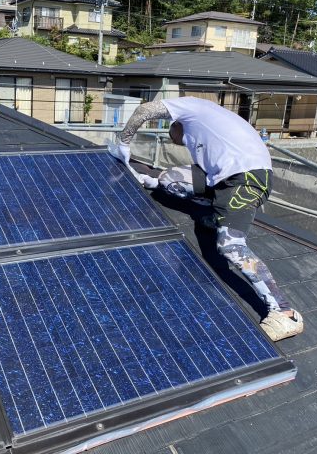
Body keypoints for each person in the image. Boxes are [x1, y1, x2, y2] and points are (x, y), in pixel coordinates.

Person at [111, 97, 303, 341]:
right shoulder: (208, 127)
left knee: (230, 247)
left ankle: (284, 311)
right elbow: (190, 175)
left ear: (177, 123)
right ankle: (215, 215)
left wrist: (123, 143)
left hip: (247, 178)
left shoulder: (192, 107)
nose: (176, 141)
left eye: (175, 136)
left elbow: (145, 110)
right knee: (170, 181)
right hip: (223, 178)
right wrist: (148, 179)